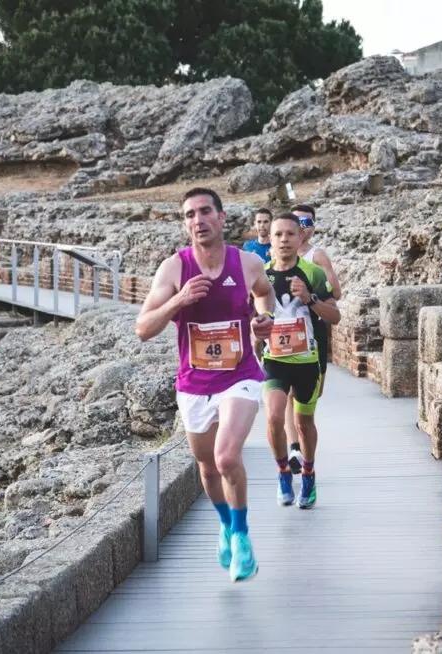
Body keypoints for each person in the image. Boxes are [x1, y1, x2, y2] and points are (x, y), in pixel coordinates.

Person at [136, 187, 275, 582]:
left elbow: (265, 295)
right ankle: (226, 524)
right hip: (194, 382)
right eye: (189, 215)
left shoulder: (246, 262)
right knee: (206, 466)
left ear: (221, 216)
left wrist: (262, 321)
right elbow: (143, 328)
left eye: (204, 212)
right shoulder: (174, 269)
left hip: (240, 375)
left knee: (226, 457)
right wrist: (178, 301)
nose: (197, 221)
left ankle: (244, 536)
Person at [262, 213, 340, 509]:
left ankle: (308, 473)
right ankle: (283, 472)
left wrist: (309, 299)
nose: (284, 240)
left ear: (300, 238)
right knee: (273, 415)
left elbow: (334, 316)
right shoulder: (262, 276)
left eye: (290, 234)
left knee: (304, 423)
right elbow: (249, 315)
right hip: (274, 359)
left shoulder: (313, 273)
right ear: (270, 238)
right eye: (278, 234)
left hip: (308, 361)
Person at [284, 204, 342, 473]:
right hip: (284, 334)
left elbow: (336, 294)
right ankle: (293, 448)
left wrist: (313, 288)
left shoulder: (317, 256)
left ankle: (303, 440)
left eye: (305, 221)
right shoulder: (277, 257)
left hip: (314, 331)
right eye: (295, 221)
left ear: (312, 226)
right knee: (284, 392)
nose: (300, 226)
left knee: (308, 397)